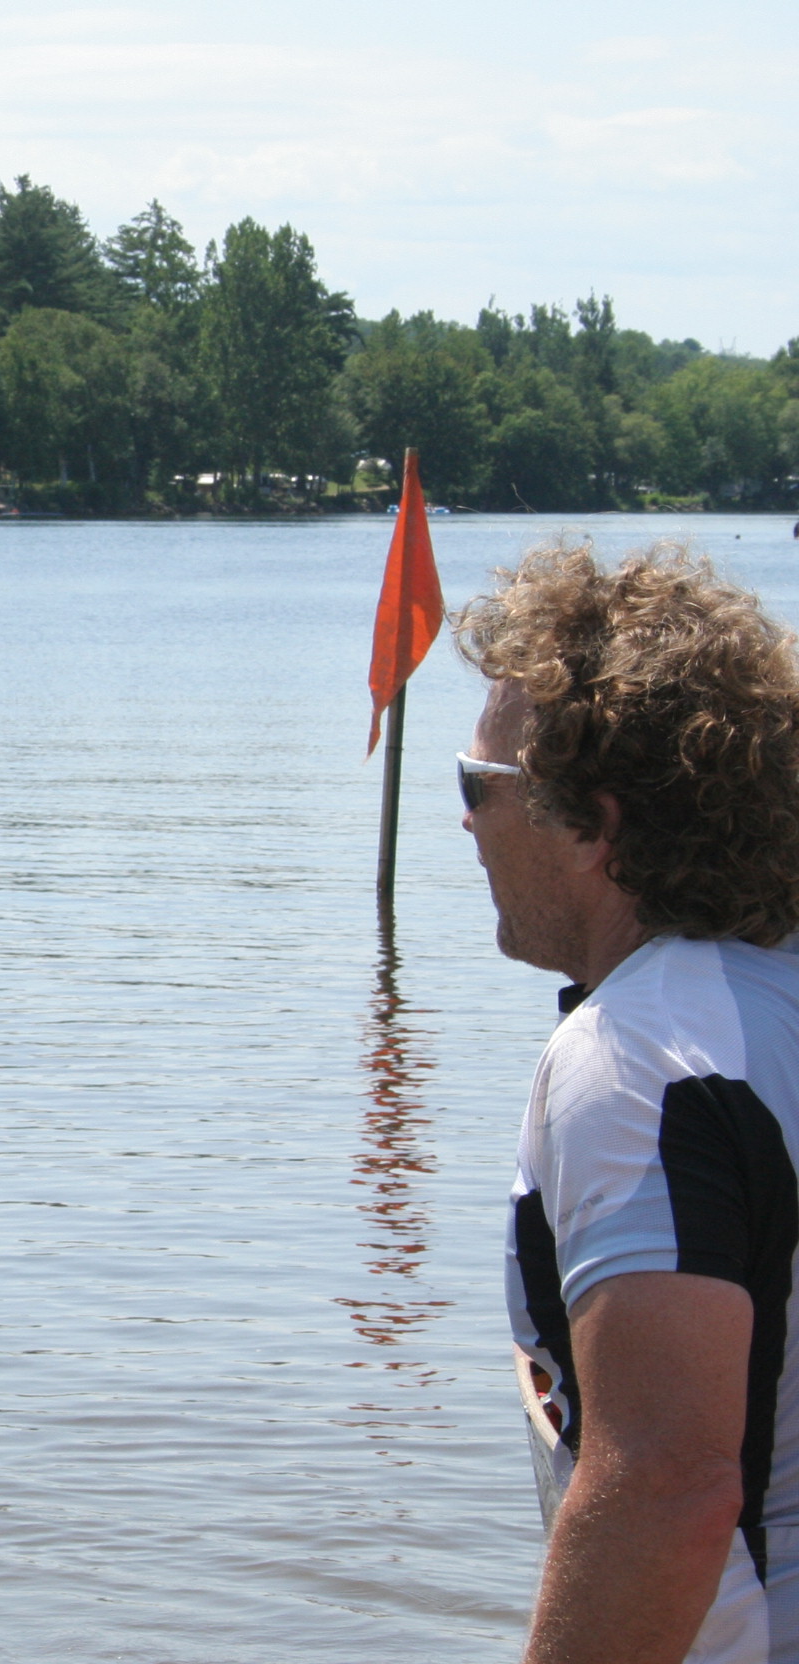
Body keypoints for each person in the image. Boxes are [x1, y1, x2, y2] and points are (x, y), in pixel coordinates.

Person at [458, 541, 799, 1664]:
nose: (466, 823)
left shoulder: (634, 1054)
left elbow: (669, 1486)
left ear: (595, 827)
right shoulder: (774, 1001)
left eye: (481, 787)